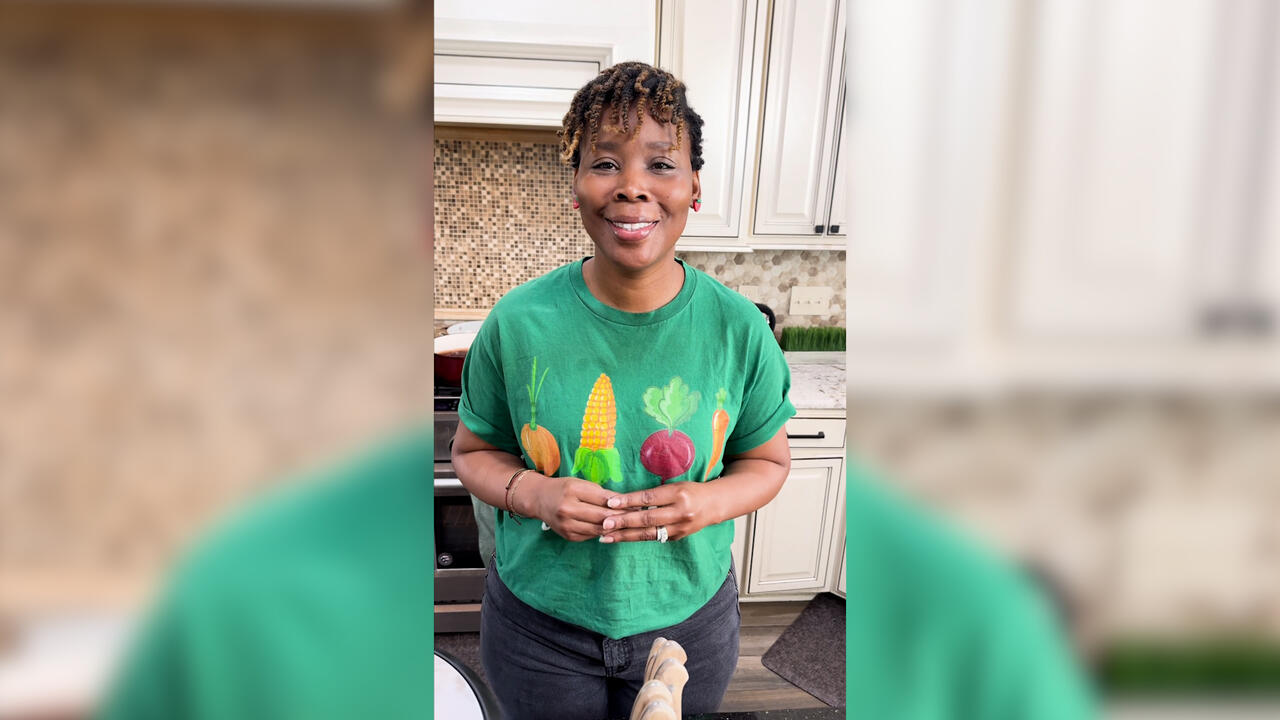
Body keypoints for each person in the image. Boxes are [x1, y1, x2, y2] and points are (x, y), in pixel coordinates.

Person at [450, 61, 796, 720]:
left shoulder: (739, 330)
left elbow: (770, 462)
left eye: (661, 165)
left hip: (686, 627)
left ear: (695, 187)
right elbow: (472, 452)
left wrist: (708, 500)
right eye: (605, 163)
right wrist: (535, 492)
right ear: (576, 187)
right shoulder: (517, 322)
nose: (632, 186)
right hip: (538, 631)